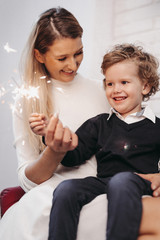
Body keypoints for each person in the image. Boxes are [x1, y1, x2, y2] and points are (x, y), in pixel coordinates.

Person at [0, 7, 110, 240]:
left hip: (102, 190)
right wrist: (55, 152)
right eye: (62, 58)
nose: (72, 64)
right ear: (39, 55)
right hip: (51, 196)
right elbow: (28, 182)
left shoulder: (104, 90)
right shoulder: (27, 101)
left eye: (78, 53)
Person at [32, 43, 160, 240]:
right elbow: (72, 157)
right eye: (110, 84)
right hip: (103, 182)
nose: (115, 90)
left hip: (138, 180)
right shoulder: (99, 124)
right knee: (66, 188)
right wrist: (52, 135)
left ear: (145, 86)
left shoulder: (157, 127)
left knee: (122, 180)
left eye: (124, 82)